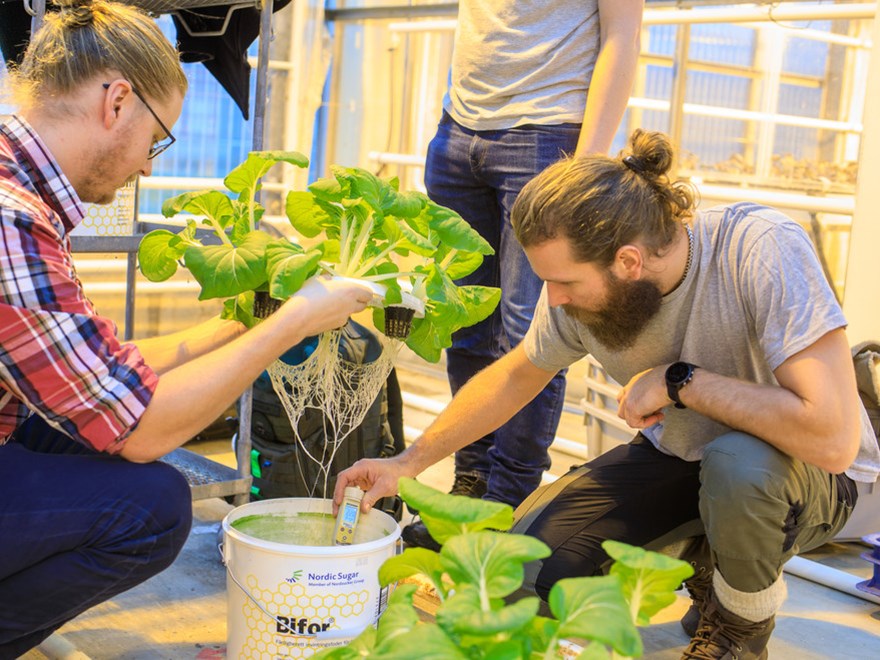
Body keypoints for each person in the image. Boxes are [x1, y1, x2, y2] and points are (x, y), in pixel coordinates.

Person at [336, 129, 880, 658]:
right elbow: (514, 377)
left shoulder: (758, 248)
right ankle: (711, 564)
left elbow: (832, 439)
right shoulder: (576, 297)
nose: (553, 298)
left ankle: (738, 633)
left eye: (566, 282)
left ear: (628, 261)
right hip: (681, 456)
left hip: (815, 475)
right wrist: (407, 462)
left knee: (738, 465)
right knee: (524, 572)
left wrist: (682, 382)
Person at [0, 2, 373, 655]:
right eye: (157, 138)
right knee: (154, 506)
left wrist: (239, 324)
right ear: (117, 102)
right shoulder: (14, 220)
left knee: (73, 434)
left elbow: (101, 375)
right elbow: (141, 430)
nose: (148, 165)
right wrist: (293, 323)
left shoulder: (15, 180)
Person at [404, 0, 644, 550]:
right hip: (459, 128)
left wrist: (584, 167)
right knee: (466, 322)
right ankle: (469, 485)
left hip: (547, 133)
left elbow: (622, 35)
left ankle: (508, 500)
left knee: (527, 331)